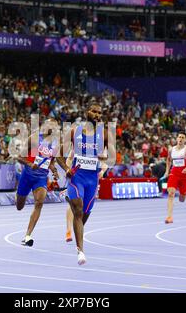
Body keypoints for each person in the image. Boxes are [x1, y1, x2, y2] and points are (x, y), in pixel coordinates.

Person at [57, 102, 113, 265]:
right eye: (94, 111)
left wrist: (104, 161)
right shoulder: (75, 131)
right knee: (79, 210)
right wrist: (67, 168)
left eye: (99, 112)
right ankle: (80, 251)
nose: (97, 114)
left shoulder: (104, 134)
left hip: (92, 180)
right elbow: (59, 155)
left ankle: (76, 230)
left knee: (83, 215)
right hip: (77, 178)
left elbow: (113, 157)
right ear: (87, 112)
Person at [16, 118, 59, 247]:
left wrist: (54, 171)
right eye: (51, 124)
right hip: (27, 175)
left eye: (56, 125)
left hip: (41, 178)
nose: (54, 127)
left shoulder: (55, 144)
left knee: (39, 202)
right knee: (19, 206)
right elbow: (19, 157)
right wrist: (30, 163)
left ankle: (27, 235)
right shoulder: (34, 138)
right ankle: (18, 195)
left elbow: (51, 162)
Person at [163, 132, 186, 224]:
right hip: (174, 174)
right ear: (177, 139)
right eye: (179, 137)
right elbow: (168, 160)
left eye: (183, 137)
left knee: (182, 199)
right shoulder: (171, 149)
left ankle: (182, 194)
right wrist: (167, 171)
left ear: (185, 140)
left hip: (184, 176)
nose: (181, 138)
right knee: (171, 193)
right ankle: (169, 217)